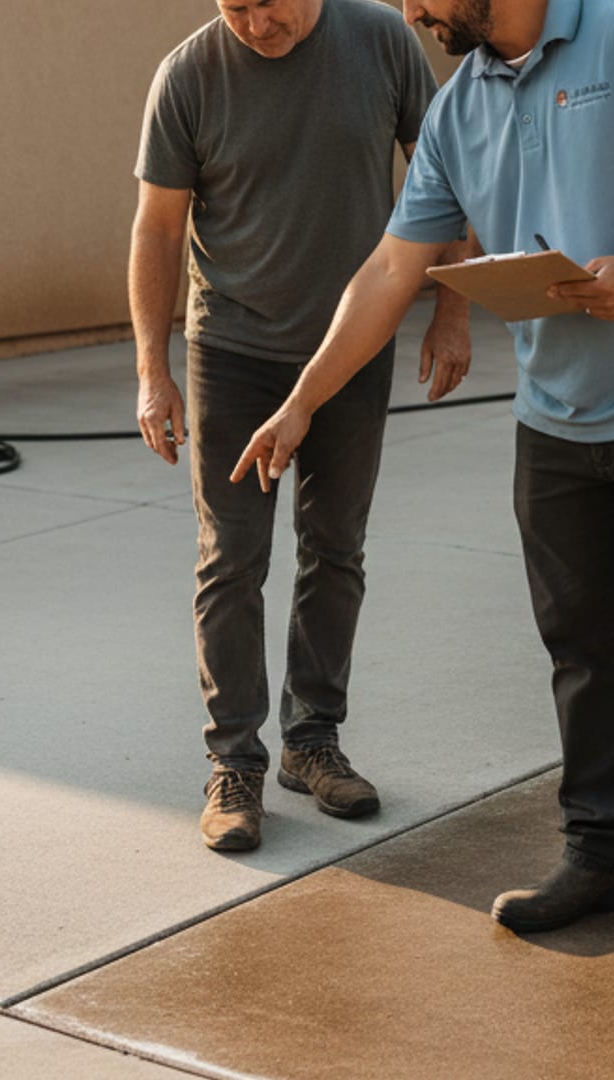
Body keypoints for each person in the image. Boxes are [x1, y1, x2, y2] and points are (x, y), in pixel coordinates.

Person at [229, 0, 614, 980]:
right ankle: (603, 856)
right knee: (581, 646)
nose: (411, 11)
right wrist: (303, 400)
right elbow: (395, 265)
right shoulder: (459, 106)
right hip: (556, 422)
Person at [131, 0, 474, 853]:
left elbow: (447, 183)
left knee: (335, 547)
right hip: (234, 347)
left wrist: (453, 311)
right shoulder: (187, 76)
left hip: (351, 348)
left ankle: (311, 741)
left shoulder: (386, 43)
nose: (254, 21)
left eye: (268, 1)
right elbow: (158, 227)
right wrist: (151, 372)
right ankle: (235, 761)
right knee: (232, 555)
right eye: (233, 4)